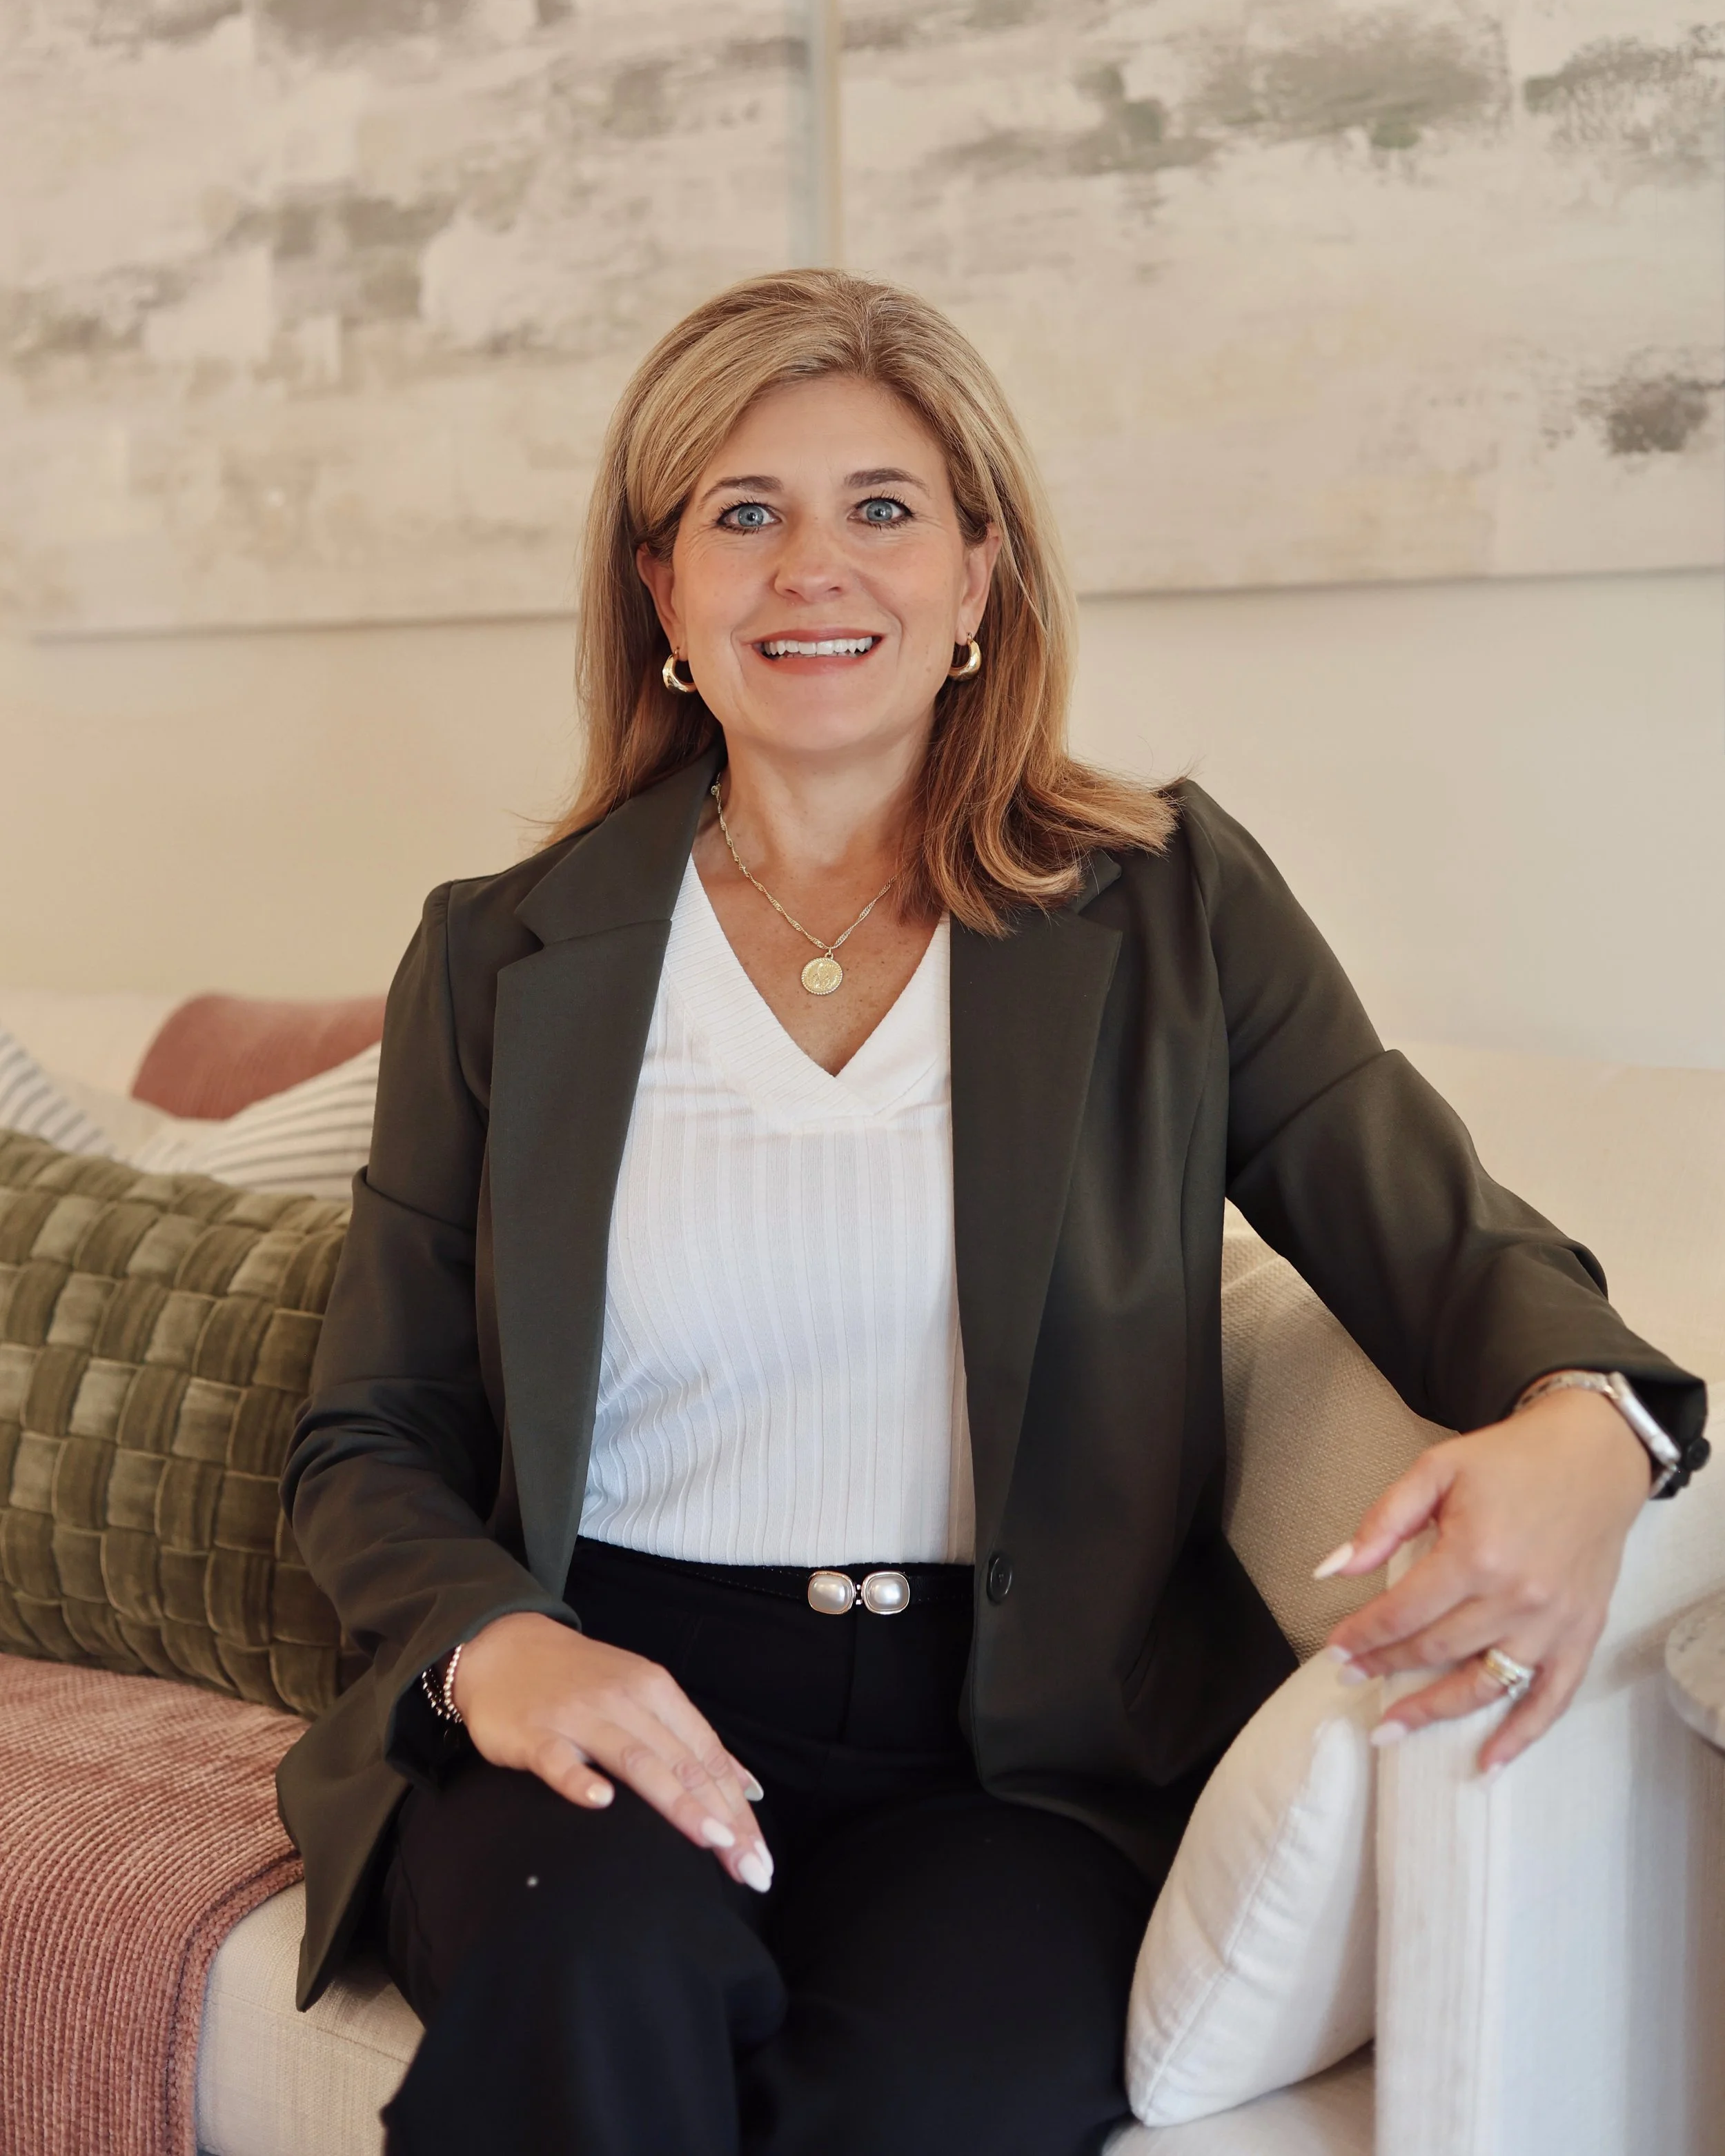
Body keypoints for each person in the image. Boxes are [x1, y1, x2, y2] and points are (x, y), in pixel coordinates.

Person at [276, 269, 1709, 2156]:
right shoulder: (500, 950)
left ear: (978, 575)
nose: (814, 569)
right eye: (741, 512)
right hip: (602, 1704)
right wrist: (499, 1645)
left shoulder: (1171, 905)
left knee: (912, 2104)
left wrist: (1594, 1427)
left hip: (1015, 1754)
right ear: (658, 592)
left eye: (881, 507)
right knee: (593, 1978)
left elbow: (1446, 1243)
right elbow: (366, 1435)